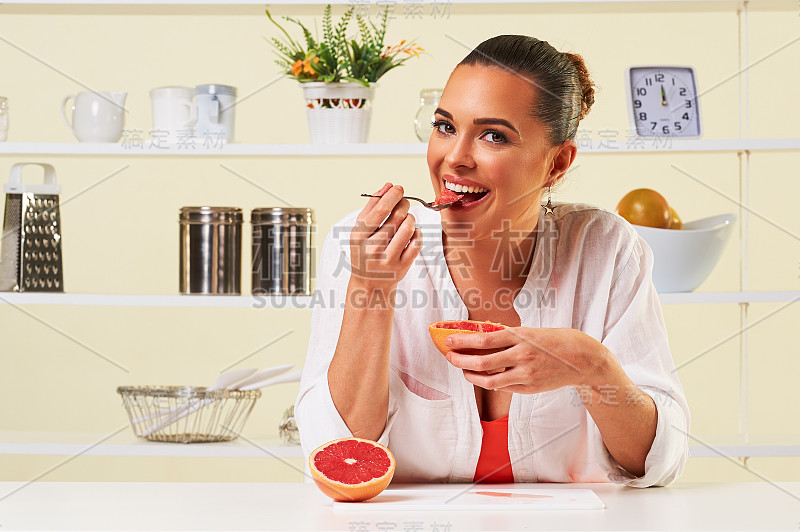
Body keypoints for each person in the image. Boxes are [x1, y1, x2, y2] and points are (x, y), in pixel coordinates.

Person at [296, 35, 689, 487]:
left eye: (493, 136)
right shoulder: (363, 244)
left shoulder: (606, 249)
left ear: (558, 164)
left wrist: (592, 366)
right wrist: (371, 289)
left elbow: (659, 461)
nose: (455, 159)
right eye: (445, 127)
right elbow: (336, 457)